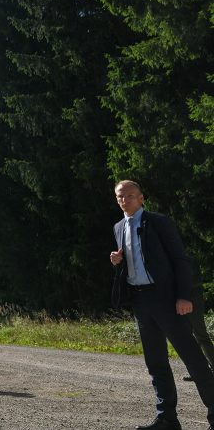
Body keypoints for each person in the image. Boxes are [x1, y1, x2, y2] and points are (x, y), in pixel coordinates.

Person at [109, 180, 214, 430]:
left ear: (141, 198)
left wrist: (184, 296)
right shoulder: (118, 227)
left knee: (193, 359)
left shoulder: (159, 222)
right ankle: (167, 418)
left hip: (168, 299)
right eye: (120, 197)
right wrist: (117, 261)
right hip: (141, 300)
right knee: (155, 362)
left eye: (130, 196)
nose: (125, 200)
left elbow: (180, 259)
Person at [183, 258, 214, 383]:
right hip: (180, 300)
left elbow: (192, 280)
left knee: (200, 335)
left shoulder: (186, 256)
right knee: (186, 337)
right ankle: (198, 371)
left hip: (192, 299)